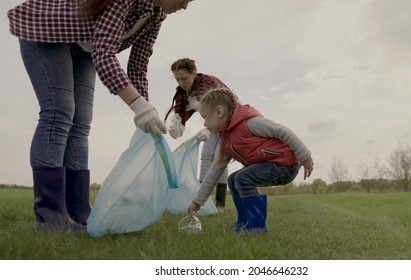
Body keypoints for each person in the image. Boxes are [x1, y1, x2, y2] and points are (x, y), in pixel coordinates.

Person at [7, 0, 194, 232]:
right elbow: (104, 54)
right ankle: (50, 218)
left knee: (82, 121)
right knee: (59, 112)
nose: (185, 6)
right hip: (47, 31)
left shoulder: (156, 16)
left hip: (85, 47)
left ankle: (79, 211)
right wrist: (138, 106)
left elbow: (137, 66)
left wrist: (145, 109)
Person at [187, 88, 314, 233]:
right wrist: (198, 201)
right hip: (268, 166)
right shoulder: (225, 141)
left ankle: (256, 227)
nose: (204, 123)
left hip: (285, 166)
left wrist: (305, 157)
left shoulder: (250, 123)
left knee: (242, 178)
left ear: (219, 112)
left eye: (205, 117)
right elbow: (214, 171)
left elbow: (283, 131)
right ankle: (244, 221)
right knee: (232, 179)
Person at [165, 58, 230, 212]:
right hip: (211, 123)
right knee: (206, 157)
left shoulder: (209, 83)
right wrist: (177, 125)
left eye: (184, 78)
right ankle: (203, 201)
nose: (181, 82)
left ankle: (220, 204)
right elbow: (182, 113)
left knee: (218, 158)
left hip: (229, 121)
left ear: (194, 73)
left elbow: (225, 106)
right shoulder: (183, 92)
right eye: (177, 79)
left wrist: (210, 128)